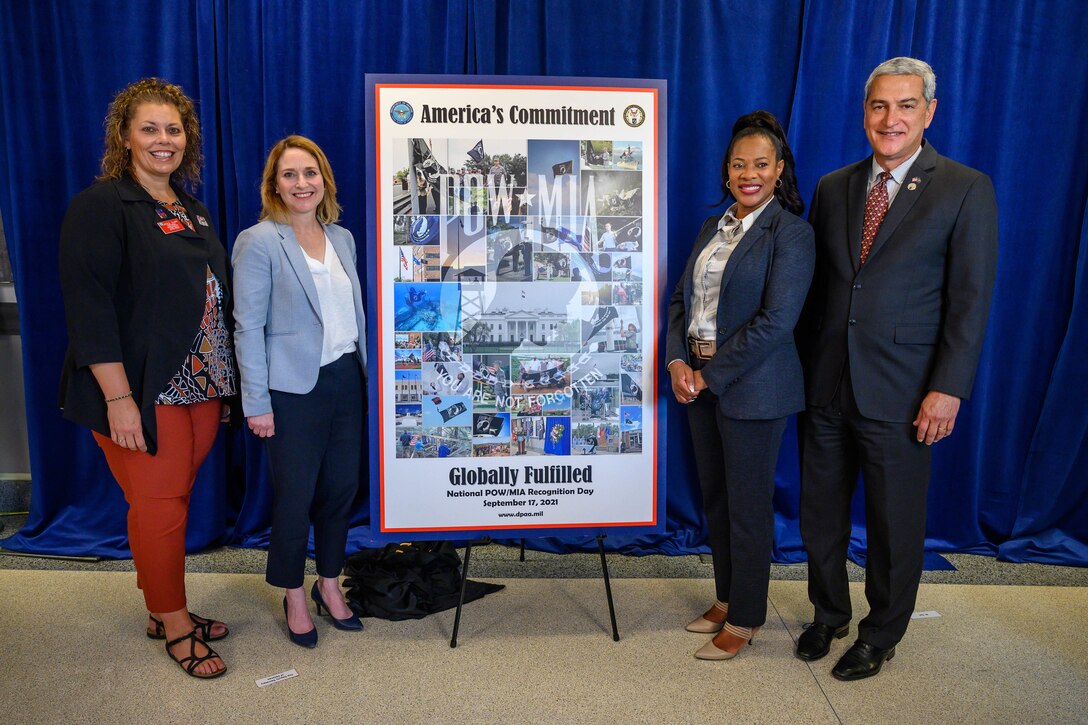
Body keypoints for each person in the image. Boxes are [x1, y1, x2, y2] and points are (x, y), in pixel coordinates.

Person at [796, 57, 998, 681]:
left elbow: (969, 301)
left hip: (907, 392)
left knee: (894, 524)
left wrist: (947, 389)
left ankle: (881, 633)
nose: (891, 119)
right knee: (820, 515)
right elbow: (820, 291)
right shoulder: (834, 186)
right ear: (865, 112)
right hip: (827, 384)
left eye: (906, 106)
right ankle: (828, 613)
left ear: (928, 112)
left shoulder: (965, 188)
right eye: (880, 106)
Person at [58, 78, 235, 678]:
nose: (164, 140)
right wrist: (120, 399)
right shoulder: (103, 205)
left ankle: (163, 606)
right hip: (140, 390)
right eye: (150, 129)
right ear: (125, 137)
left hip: (202, 388)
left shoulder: (193, 208)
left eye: (174, 129)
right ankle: (174, 621)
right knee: (160, 507)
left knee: (168, 503)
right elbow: (90, 308)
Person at [665, 110, 814, 661]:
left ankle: (748, 617)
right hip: (699, 383)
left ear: (778, 170)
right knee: (717, 500)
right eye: (737, 164)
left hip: (753, 388)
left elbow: (777, 322)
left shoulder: (791, 234)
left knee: (749, 507)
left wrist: (709, 373)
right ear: (726, 173)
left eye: (760, 164)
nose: (748, 173)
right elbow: (682, 301)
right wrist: (679, 362)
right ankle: (728, 598)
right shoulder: (712, 227)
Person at [232, 135, 367, 648]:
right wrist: (257, 403)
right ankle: (292, 594)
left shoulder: (343, 238)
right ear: (275, 185)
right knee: (295, 497)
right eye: (290, 175)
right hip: (290, 391)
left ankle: (328, 585)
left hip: (344, 380)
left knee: (338, 494)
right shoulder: (260, 240)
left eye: (309, 173)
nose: (301, 183)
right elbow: (246, 328)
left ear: (324, 180)